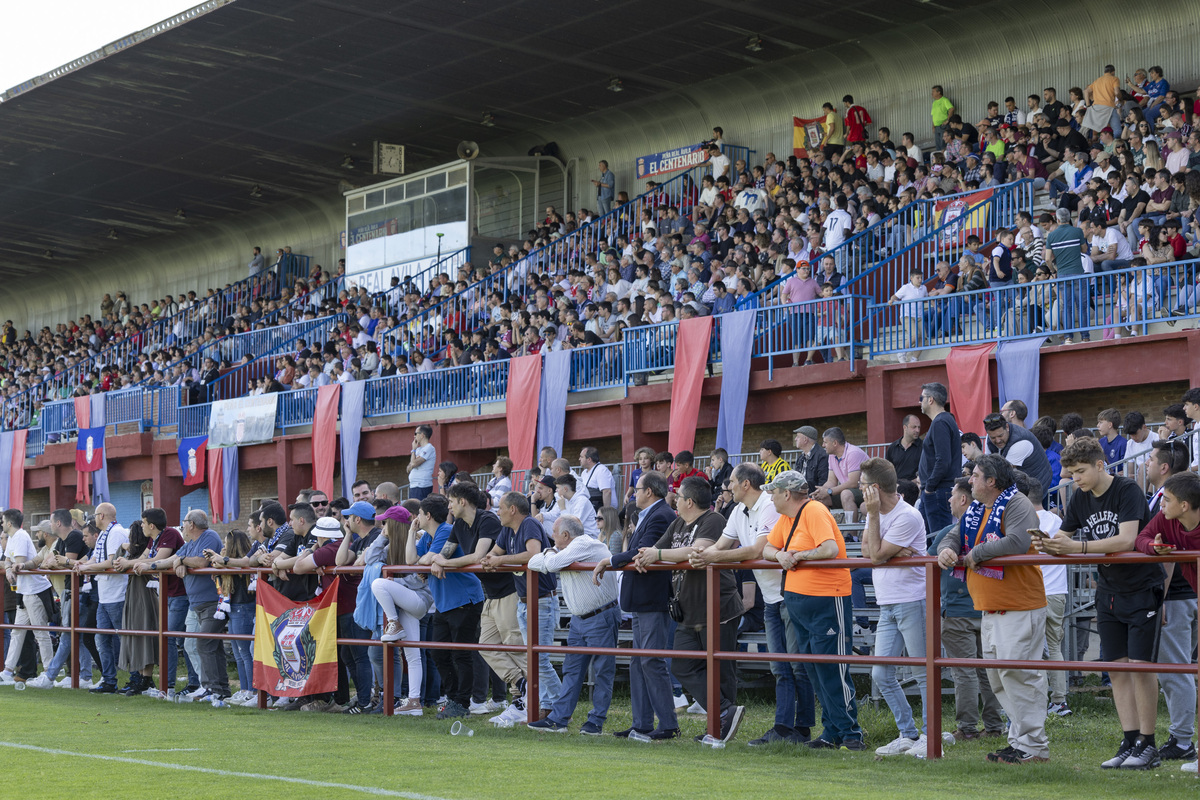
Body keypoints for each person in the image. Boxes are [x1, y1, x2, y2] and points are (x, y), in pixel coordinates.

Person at [1039, 438, 1163, 770]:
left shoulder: (1127, 490)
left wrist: (1077, 548)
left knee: (1140, 667)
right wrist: (1048, 543)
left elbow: (1126, 539)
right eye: (1071, 472)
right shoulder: (1079, 497)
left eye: (1080, 471)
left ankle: (1148, 744)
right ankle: (1129, 739)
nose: (1075, 478)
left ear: (1099, 465)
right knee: (1117, 668)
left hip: (1141, 588)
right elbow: (1066, 535)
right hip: (1107, 590)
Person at [691, 462, 815, 745]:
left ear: (745, 484)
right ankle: (789, 727)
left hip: (789, 594)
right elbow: (721, 546)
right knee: (781, 666)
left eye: (731, 482)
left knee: (795, 665)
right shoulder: (737, 511)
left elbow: (757, 550)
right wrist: (698, 555)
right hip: (772, 598)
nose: (727, 488)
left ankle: (797, 728)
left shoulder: (770, 507)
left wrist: (709, 557)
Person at [937, 454, 1049, 765]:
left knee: (1020, 675)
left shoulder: (1017, 504)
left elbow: (1015, 541)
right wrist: (948, 548)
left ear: (991, 482)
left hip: (1019, 606)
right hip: (991, 608)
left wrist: (977, 553)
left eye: (975, 475)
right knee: (1001, 678)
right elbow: (954, 535)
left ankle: (1034, 746)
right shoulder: (976, 509)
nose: (969, 480)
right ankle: (1021, 742)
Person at [762, 470, 864, 751]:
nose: (770, 496)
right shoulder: (787, 518)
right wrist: (781, 554)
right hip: (800, 603)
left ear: (787, 494)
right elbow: (768, 548)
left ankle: (851, 733)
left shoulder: (814, 510)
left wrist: (798, 556)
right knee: (815, 668)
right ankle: (832, 731)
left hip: (826, 600)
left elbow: (829, 549)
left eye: (773, 491)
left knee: (831, 668)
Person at [640, 476, 745, 743]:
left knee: (721, 670)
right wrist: (644, 556)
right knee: (682, 665)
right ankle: (723, 712)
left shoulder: (713, 520)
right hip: (688, 611)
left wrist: (658, 556)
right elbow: (655, 549)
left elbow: (700, 550)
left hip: (718, 607)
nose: (672, 498)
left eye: (677, 495)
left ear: (689, 500)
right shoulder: (677, 523)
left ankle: (720, 728)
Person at [592, 471, 678, 739]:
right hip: (641, 598)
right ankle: (642, 723)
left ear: (649, 492)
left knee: (651, 661)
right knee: (638, 662)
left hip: (652, 598)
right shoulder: (649, 514)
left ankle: (667, 724)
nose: (633, 493)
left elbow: (642, 551)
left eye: (637, 489)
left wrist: (610, 560)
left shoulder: (662, 515)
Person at [432, 481, 527, 723]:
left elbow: (478, 556)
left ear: (462, 501)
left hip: (508, 591)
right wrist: (436, 560)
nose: (449, 506)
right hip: (490, 594)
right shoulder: (459, 525)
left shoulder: (487, 520)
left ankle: (531, 697)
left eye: (451, 501)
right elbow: (445, 551)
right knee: (485, 645)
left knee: (513, 643)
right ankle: (521, 686)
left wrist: (443, 563)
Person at [859, 458, 931, 758]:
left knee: (924, 670)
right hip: (888, 603)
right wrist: (882, 547)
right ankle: (908, 733)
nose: (859, 491)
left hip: (912, 600)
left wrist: (878, 534)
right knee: (881, 675)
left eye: (863, 487)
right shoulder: (875, 515)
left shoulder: (908, 516)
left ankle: (930, 735)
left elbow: (874, 555)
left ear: (875, 489)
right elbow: (867, 551)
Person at [526, 514, 621, 735]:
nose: (552, 540)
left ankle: (595, 722)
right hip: (581, 619)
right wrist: (553, 555)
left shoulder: (583, 544)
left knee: (602, 672)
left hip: (600, 615)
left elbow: (549, 563)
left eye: (555, 536)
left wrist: (550, 554)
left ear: (566, 535)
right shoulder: (569, 550)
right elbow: (533, 562)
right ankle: (559, 719)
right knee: (572, 670)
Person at [1135, 470, 1200, 768]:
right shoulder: (1168, 520)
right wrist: (1155, 548)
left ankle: (1184, 741)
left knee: (1179, 669)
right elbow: (1143, 537)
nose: (1161, 504)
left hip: (1184, 598)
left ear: (1185, 505)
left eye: (1168, 500)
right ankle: (1188, 743)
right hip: (1192, 595)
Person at [932, 478, 1005, 741]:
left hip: (957, 613)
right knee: (987, 671)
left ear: (963, 499)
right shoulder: (990, 528)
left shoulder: (950, 531)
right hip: (984, 608)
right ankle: (995, 727)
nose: (949, 500)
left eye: (952, 495)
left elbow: (928, 561)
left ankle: (968, 727)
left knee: (964, 671)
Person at [483, 491, 562, 717]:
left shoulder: (528, 524)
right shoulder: (508, 530)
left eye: (500, 508)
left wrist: (499, 560)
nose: (497, 512)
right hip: (524, 602)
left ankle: (560, 706)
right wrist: (488, 559)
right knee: (533, 659)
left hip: (542, 601)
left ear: (512, 510)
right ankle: (547, 708)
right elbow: (495, 553)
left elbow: (533, 554)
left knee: (540, 660)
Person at [144, 510, 229, 703]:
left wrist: (181, 560)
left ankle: (213, 689)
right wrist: (152, 566)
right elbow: (172, 558)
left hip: (211, 602)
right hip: (195, 603)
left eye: (184, 522)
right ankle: (214, 688)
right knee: (201, 644)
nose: (182, 526)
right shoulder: (190, 544)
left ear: (191, 524)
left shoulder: (210, 536)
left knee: (205, 643)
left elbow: (200, 561)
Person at [413, 494, 484, 720]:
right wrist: (409, 536)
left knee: (461, 654)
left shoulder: (444, 530)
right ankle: (453, 698)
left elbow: (427, 560)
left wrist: (429, 560)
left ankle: (462, 702)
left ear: (428, 515)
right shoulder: (426, 537)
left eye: (419, 514)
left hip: (464, 600)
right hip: (444, 604)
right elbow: (413, 560)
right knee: (438, 653)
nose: (416, 518)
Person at [73, 503, 129, 694]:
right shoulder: (105, 534)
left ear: (102, 516)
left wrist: (86, 568)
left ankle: (138, 678)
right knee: (100, 639)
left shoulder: (116, 533)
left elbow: (110, 562)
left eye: (96, 515)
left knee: (125, 638)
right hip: (105, 595)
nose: (94, 518)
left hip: (117, 594)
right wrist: (82, 564)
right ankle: (109, 680)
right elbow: (95, 558)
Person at [0, 509, 55, 685]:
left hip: (35, 591)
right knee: (17, 631)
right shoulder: (12, 538)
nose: (1, 523)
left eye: (2, 520)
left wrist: (10, 567)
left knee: (40, 632)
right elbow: (8, 561)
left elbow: (19, 561)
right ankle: (7, 671)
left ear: (9, 523)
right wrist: (8, 568)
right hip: (24, 592)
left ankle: (49, 673)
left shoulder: (22, 536)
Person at [983, 412, 1053, 500]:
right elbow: (988, 464)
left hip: (1037, 484)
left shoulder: (1021, 442)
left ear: (1007, 427)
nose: (998, 440)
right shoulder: (989, 437)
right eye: (993, 437)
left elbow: (1003, 473)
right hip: (1020, 482)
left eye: (1000, 435)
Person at [813, 427, 866, 522]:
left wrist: (829, 491)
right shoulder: (831, 456)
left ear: (835, 443)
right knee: (820, 500)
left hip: (865, 490)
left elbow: (853, 483)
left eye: (825, 442)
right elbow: (831, 481)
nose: (823, 445)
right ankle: (826, 534)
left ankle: (852, 536)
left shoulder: (853, 453)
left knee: (846, 494)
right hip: (848, 492)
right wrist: (820, 492)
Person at [885, 414, 923, 482]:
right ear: (905, 427)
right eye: (914, 427)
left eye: (919, 427)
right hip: (896, 489)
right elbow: (888, 472)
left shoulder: (924, 447)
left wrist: (913, 482)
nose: (917, 430)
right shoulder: (892, 448)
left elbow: (926, 471)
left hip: (916, 489)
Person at [407, 424, 436, 500]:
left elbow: (413, 463)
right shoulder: (418, 449)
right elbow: (408, 468)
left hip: (421, 485)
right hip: (414, 485)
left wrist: (413, 450)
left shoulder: (429, 448)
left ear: (422, 435)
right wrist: (414, 452)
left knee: (418, 510)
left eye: (416, 434)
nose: (414, 436)